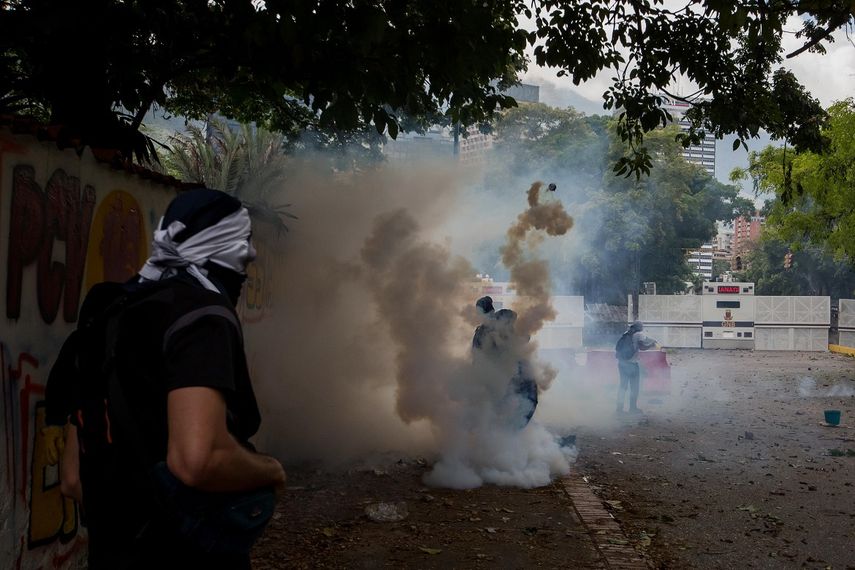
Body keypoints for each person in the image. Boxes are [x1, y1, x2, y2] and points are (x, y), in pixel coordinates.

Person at [55, 188, 287, 570]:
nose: (251, 254)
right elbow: (196, 460)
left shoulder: (108, 314)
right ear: (213, 243)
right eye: (241, 240)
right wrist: (269, 470)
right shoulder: (201, 316)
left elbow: (72, 480)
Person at [614, 320, 660, 414]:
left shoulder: (627, 333)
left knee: (623, 387)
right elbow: (642, 347)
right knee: (634, 387)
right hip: (632, 364)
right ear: (640, 327)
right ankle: (633, 408)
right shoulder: (639, 334)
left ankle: (619, 409)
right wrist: (651, 344)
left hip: (622, 363)